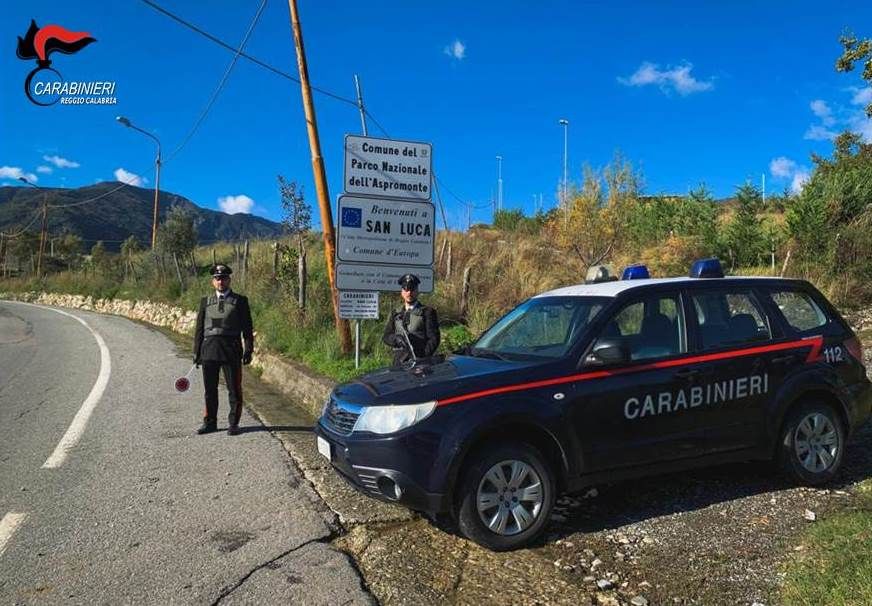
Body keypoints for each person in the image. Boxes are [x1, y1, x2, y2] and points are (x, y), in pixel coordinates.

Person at [193, 263, 254, 436]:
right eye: (217, 278)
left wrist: (248, 350)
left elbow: (247, 328)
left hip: (231, 351)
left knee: (234, 389)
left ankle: (233, 423)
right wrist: (196, 352)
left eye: (224, 278)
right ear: (213, 281)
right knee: (209, 390)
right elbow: (199, 329)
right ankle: (210, 422)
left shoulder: (240, 301)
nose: (220, 281)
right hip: (209, 352)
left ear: (229, 280)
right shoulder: (205, 302)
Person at [382, 273, 440, 366]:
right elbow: (386, 336)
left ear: (417, 291)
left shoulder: (427, 312)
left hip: (420, 363)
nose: (409, 293)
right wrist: (396, 339)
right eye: (406, 289)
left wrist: (423, 357)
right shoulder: (396, 313)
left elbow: (434, 339)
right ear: (402, 292)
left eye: (412, 289)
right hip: (399, 362)